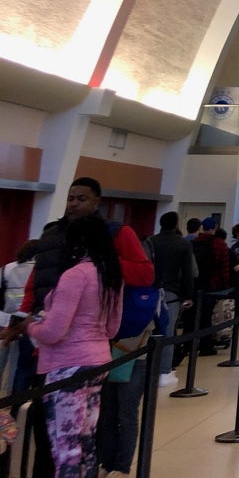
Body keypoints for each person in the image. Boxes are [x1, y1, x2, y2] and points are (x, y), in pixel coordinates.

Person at [0, 177, 151, 478]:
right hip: (87, 356)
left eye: (82, 198)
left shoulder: (100, 252)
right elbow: (37, 284)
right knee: (76, 436)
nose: (74, 203)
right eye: (71, 198)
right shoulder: (63, 242)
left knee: (65, 441)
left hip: (64, 356)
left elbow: (145, 275)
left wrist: (31, 326)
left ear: (97, 201)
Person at [27, 215, 123, 478]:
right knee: (86, 440)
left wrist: (31, 327)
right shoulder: (110, 274)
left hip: (66, 366)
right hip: (98, 361)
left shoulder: (75, 275)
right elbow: (112, 328)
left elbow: (54, 331)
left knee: (65, 446)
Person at [147, 211, 195, 386]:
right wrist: (188, 295)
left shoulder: (151, 241)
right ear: (176, 225)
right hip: (171, 293)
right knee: (167, 332)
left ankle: (147, 367)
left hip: (149, 291)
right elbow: (188, 272)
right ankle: (164, 371)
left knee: (149, 331)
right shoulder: (182, 244)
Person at [0, 240, 38, 394]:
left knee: (2, 360)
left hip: (4, 318)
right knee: (19, 365)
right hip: (26, 320)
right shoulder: (37, 270)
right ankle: (10, 399)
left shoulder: (7, 269)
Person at [191, 217, 230, 356]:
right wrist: (225, 288)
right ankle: (206, 345)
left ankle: (189, 344)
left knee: (193, 314)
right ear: (215, 227)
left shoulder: (195, 242)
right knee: (207, 316)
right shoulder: (219, 243)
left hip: (195, 284)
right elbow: (224, 267)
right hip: (212, 285)